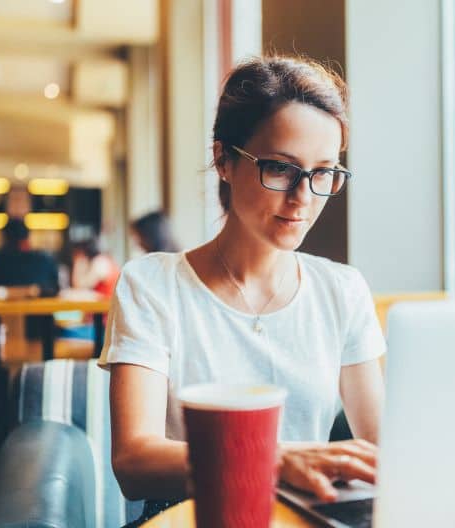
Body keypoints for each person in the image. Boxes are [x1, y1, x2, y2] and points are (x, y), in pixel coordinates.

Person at [101, 56, 385, 521]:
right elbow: (133, 461)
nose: (303, 198)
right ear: (223, 160)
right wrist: (277, 460)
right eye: (280, 169)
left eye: (323, 173)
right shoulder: (152, 285)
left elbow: (382, 447)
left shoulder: (342, 290)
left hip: (303, 517)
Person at [0, 218, 59, 297]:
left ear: (5, 238)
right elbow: (55, 289)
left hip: (4, 308)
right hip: (42, 308)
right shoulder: (44, 259)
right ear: (27, 238)